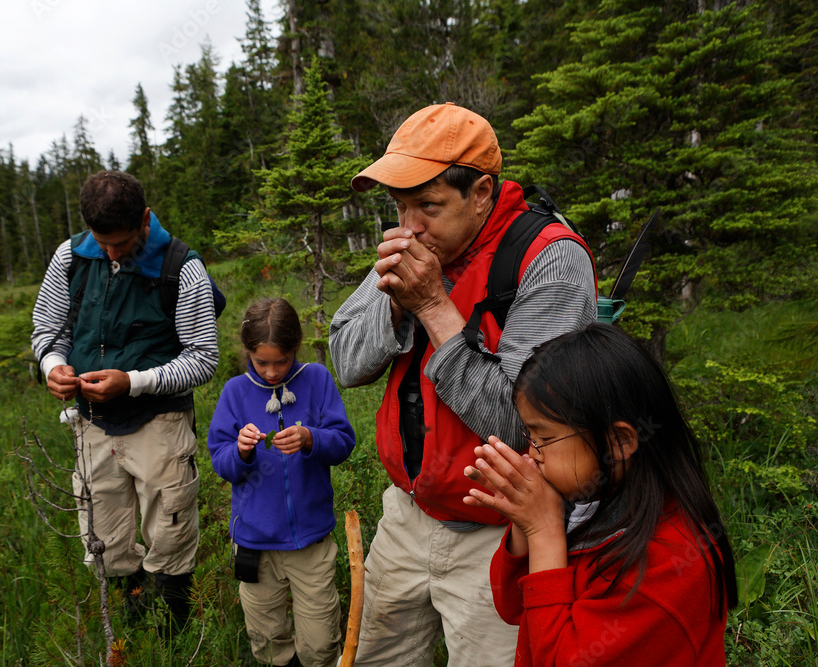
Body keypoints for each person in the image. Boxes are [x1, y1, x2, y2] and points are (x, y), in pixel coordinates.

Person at [327, 102, 597, 666]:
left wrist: (432, 306)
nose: (410, 227)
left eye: (428, 205)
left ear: (481, 192)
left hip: (502, 533)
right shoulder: (417, 244)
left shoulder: (549, 261)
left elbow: (524, 428)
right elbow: (347, 362)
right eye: (400, 207)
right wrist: (397, 306)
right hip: (408, 512)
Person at [466, 323, 738, 665]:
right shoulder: (585, 500)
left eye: (545, 439)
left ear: (619, 442)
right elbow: (511, 605)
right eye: (529, 435)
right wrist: (524, 520)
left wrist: (544, 531)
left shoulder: (671, 564)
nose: (532, 453)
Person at [30, 170, 218, 630]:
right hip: (91, 423)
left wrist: (132, 382)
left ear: (146, 219)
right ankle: (132, 632)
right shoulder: (70, 257)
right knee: (104, 541)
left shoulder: (182, 268)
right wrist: (52, 366)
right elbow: (47, 331)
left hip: (160, 419)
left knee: (169, 534)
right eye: (103, 242)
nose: (112, 253)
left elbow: (204, 358)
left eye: (123, 242)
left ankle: (172, 637)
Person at [208, 298, 356, 667]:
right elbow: (221, 462)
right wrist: (241, 452)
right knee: (268, 639)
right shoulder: (235, 392)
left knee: (321, 642)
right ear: (248, 353)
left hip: (311, 539)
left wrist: (311, 438)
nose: (272, 372)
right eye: (262, 362)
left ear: (296, 348)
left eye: (282, 361)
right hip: (255, 544)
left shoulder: (317, 379)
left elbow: (343, 442)